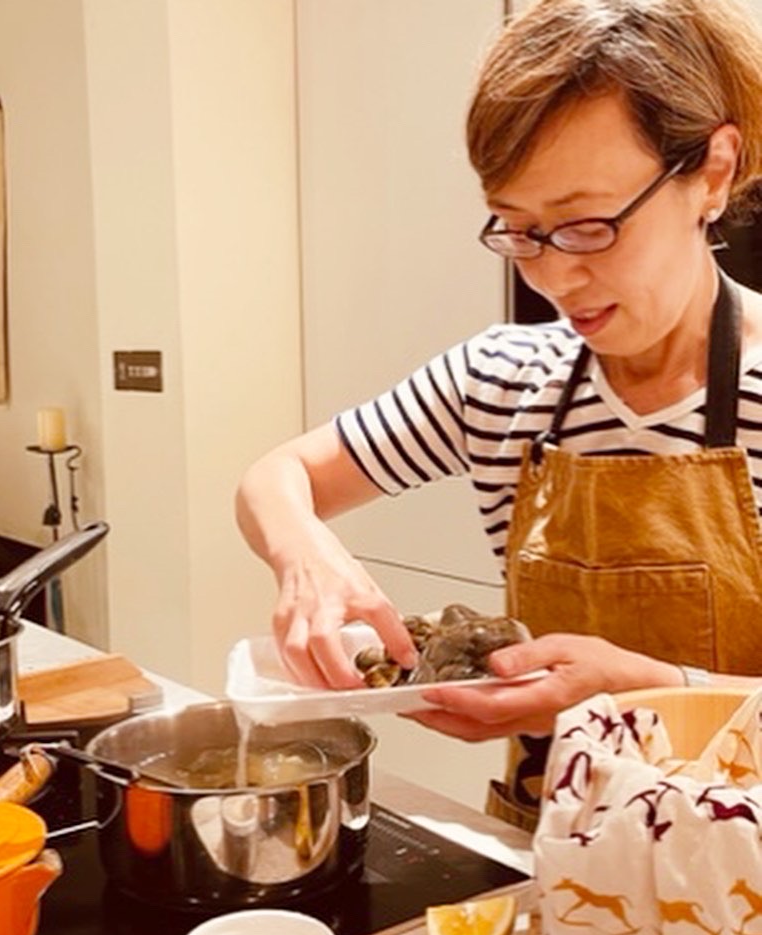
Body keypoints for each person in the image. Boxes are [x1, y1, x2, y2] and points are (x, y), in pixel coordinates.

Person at [236, 0, 762, 829]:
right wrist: (306, 557)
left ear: (713, 171)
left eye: (589, 226)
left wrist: (637, 690)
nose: (554, 277)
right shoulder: (504, 378)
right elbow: (277, 478)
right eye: (521, 231)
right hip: (556, 868)